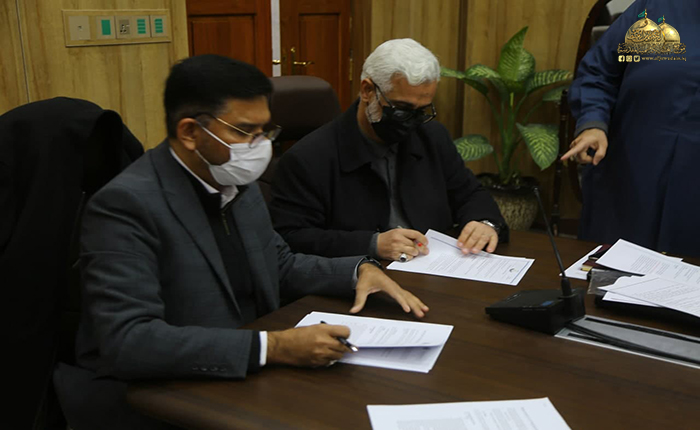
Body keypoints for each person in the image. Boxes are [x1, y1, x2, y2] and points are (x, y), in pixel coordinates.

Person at [53, 55, 428, 430]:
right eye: (245, 131)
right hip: (166, 397)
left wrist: (357, 270)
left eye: (264, 131)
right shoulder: (125, 205)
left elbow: (278, 265)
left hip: (252, 377)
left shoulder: (233, 180)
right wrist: (273, 347)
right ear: (190, 132)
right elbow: (129, 342)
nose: (259, 146)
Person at [269, 38, 507, 262]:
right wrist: (371, 244)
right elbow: (292, 237)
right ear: (367, 91)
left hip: (434, 268)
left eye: (421, 111)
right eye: (402, 108)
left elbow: (470, 194)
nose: (411, 121)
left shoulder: (431, 137)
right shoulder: (308, 159)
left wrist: (483, 223)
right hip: (356, 278)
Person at [562, 0, 700, 257]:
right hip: (628, 179)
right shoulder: (659, 8)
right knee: (607, 272)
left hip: (691, 203)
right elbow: (599, 72)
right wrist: (593, 124)